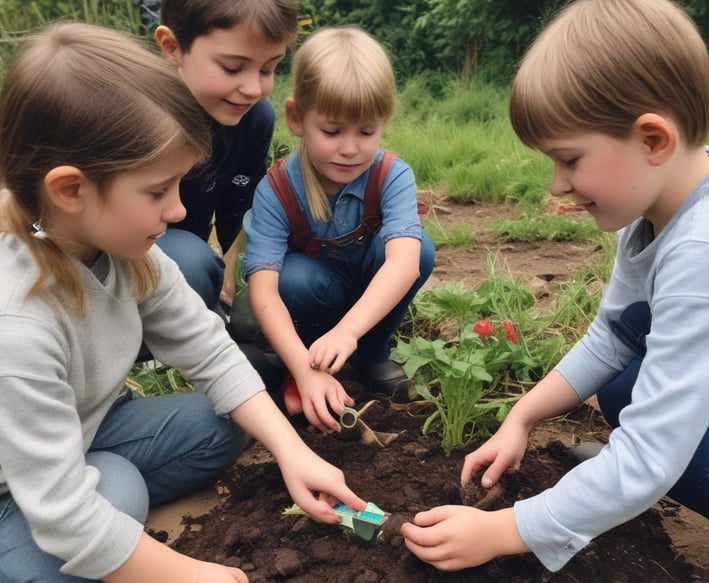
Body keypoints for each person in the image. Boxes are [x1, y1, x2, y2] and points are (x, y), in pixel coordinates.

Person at [400, 1, 709, 581]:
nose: (558, 184)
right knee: (625, 384)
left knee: (686, 446)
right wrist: (521, 417)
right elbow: (613, 336)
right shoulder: (660, 203)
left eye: (569, 159)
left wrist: (506, 530)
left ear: (652, 140)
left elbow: (654, 452)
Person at [0, 23, 364, 583]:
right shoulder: (17, 323)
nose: (176, 212)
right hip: (11, 485)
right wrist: (193, 574)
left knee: (220, 422)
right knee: (113, 492)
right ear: (69, 190)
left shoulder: (130, 254)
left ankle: (102, 494)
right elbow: (67, 515)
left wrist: (295, 454)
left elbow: (212, 352)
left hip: (85, 430)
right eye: (156, 192)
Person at [241, 26, 435, 433]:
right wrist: (303, 368)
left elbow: (403, 265)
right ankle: (311, 361)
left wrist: (348, 333)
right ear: (297, 118)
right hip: (316, 295)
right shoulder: (276, 190)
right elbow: (263, 293)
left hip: (369, 293)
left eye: (366, 131)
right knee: (290, 278)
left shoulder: (390, 174)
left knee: (419, 250)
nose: (350, 148)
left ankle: (370, 354)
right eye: (332, 131)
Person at [153, 0, 297, 312]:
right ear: (172, 47)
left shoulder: (254, 118)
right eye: (232, 68)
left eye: (268, 68)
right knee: (191, 263)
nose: (253, 88)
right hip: (116, 255)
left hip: (185, 251)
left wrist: (228, 279)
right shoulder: (132, 115)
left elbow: (238, 208)